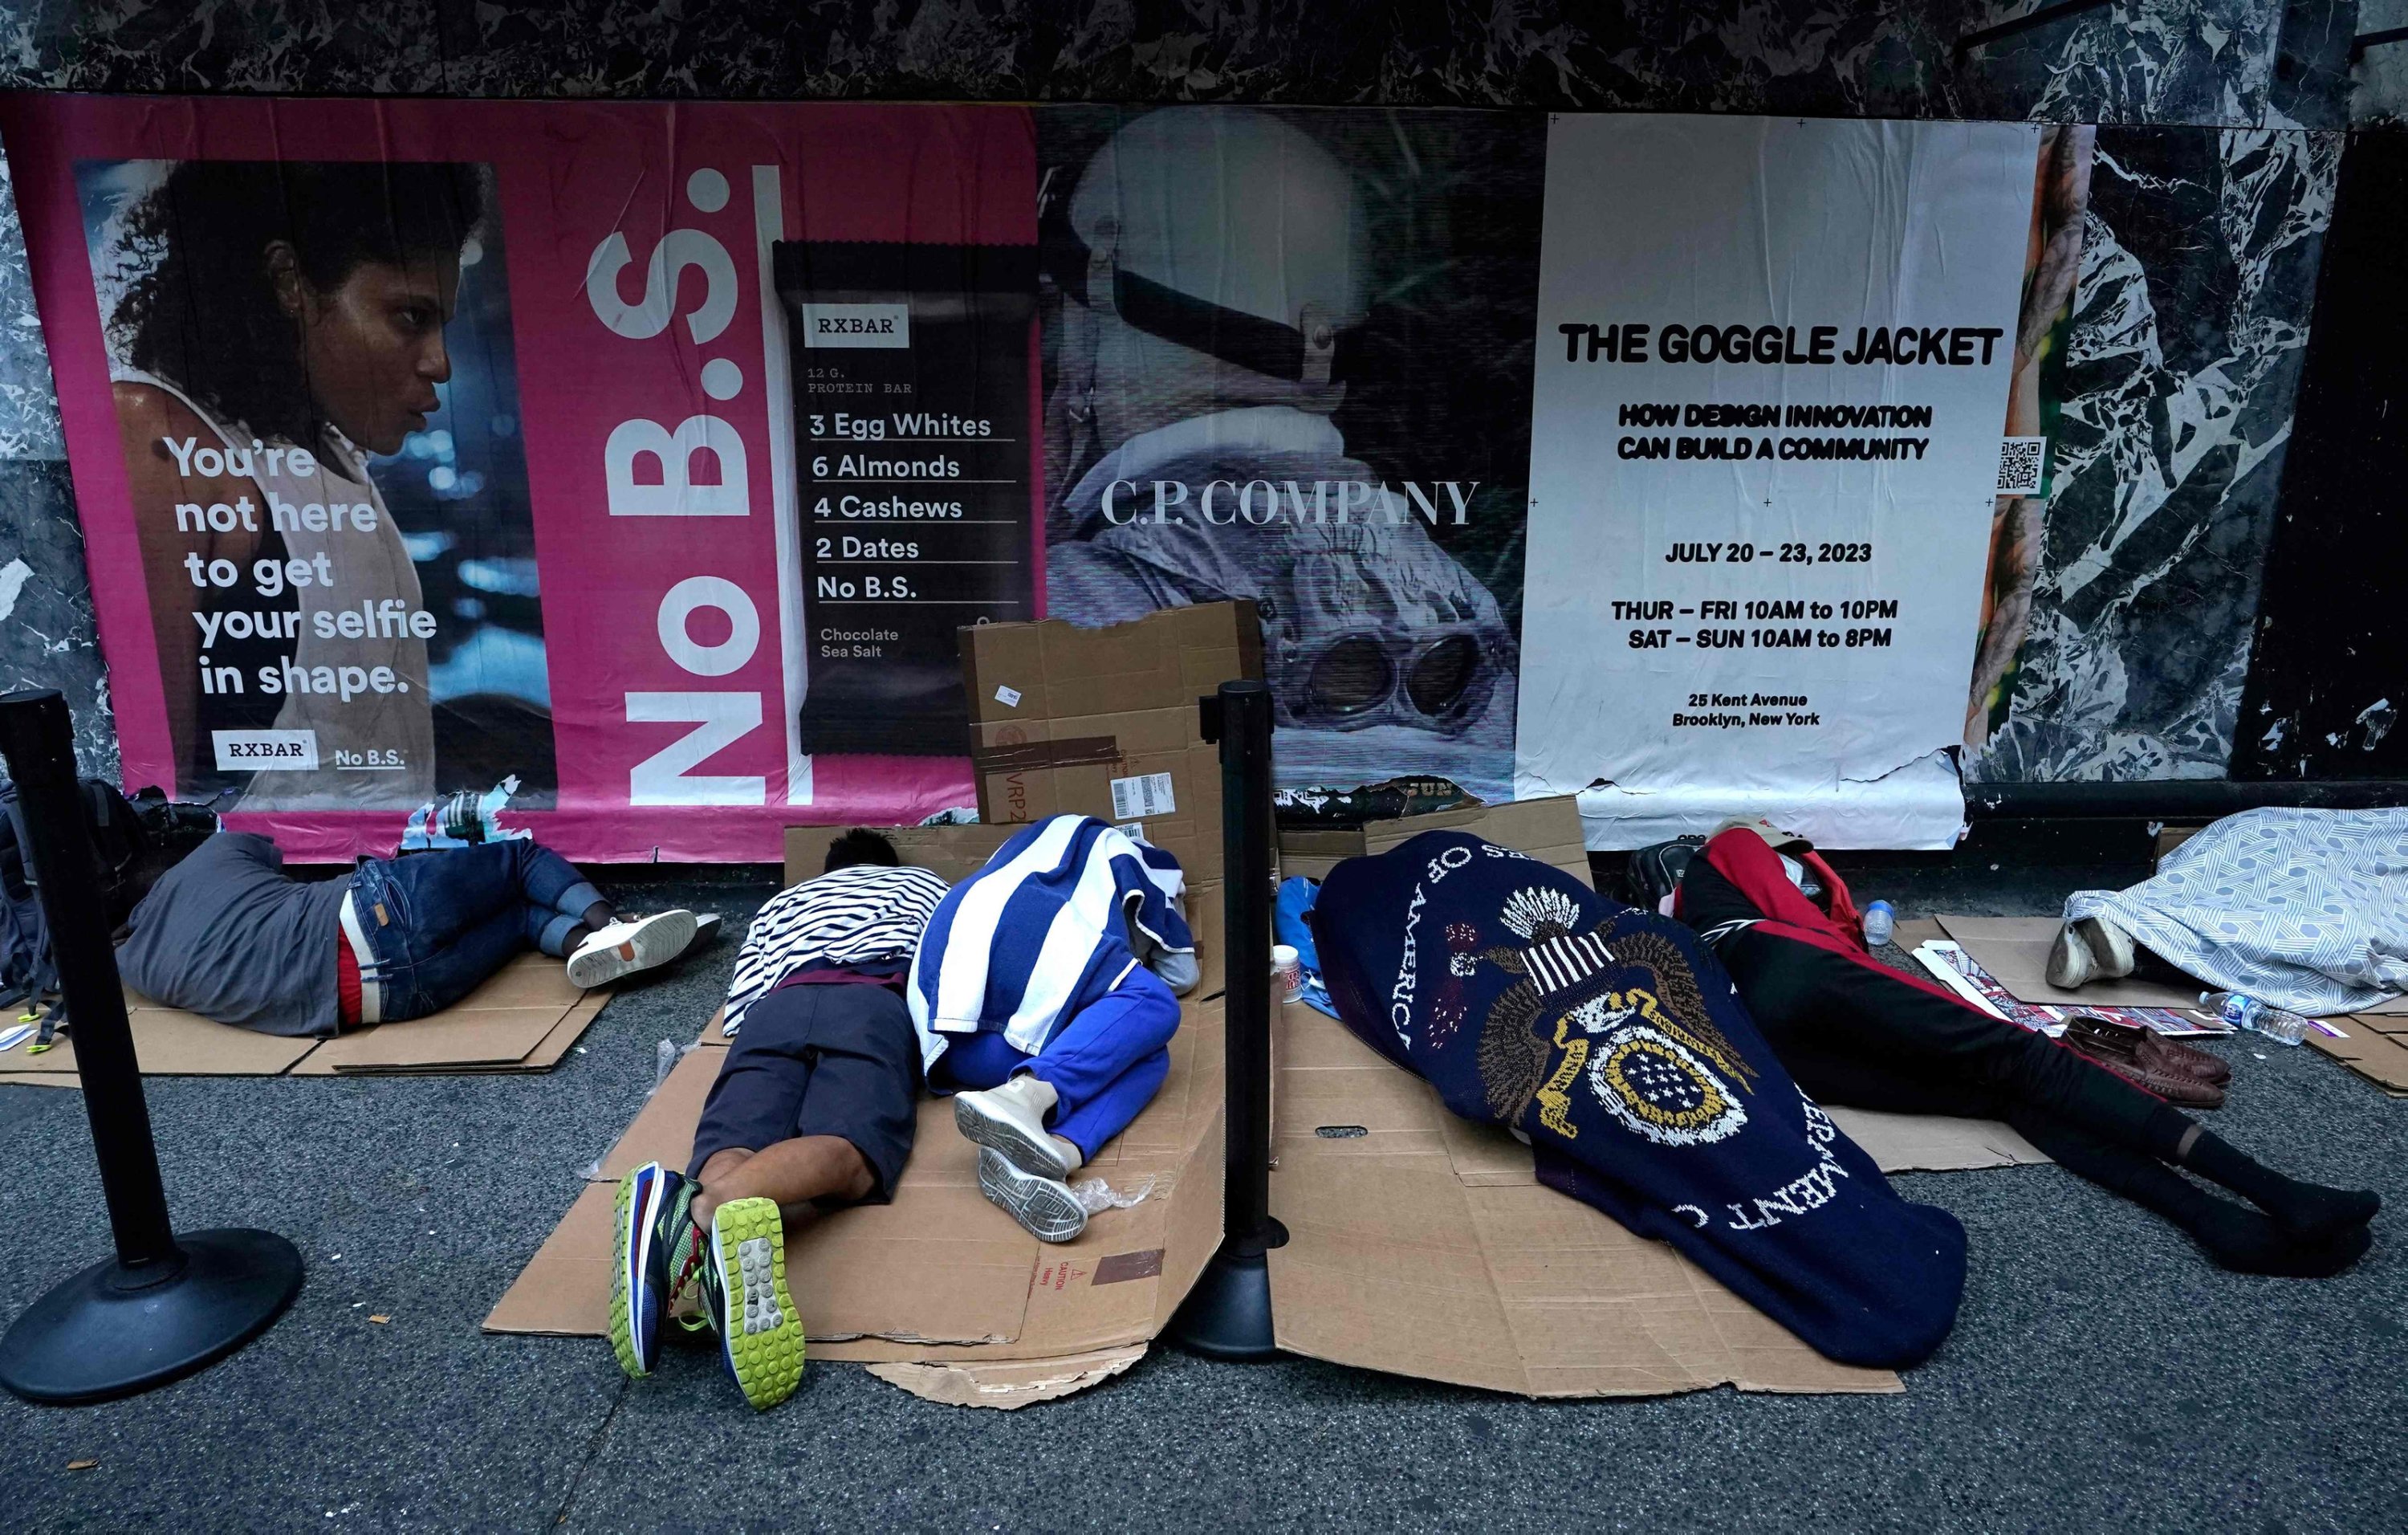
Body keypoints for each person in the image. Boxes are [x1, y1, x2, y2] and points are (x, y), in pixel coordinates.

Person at [1310, 830, 1967, 1370]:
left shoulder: (1448, 874)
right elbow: (1458, 1010)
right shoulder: (1369, 901)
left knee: (1717, 1052)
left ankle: (1814, 1209)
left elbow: (1625, 939)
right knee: (1535, 1075)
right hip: (1549, 995)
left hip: (1603, 974)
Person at [1674, 825, 2379, 1276]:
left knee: (2000, 1093)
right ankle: (2277, 1191)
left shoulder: (1677, 921)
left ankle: (2215, 1222)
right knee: (2025, 1058)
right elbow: (1817, 932)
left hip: (1763, 1040)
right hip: (1793, 972)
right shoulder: (1730, 844)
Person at [102, 160, 484, 808]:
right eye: (411, 317)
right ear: (289, 284)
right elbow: (154, 795)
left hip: (385, 881)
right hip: (276, 897)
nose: (439, 362)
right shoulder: (160, 437)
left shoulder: (324, 446)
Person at [611, 829, 950, 1412]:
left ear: (825, 870)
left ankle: (693, 1215)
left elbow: (741, 1002)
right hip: (871, 998)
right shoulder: (927, 886)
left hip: (779, 1007)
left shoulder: (782, 903)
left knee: (735, 1140)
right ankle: (699, 1214)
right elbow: (950, 962)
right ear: (888, 864)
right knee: (851, 1154)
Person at [910, 814, 1198, 1244]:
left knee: (1147, 1051)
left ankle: (1047, 1156)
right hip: (1021, 920)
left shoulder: (1023, 850)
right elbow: (1181, 973)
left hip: (953, 1047)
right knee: (1153, 1005)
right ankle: (1025, 1097)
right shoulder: (1119, 847)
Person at [116, 829, 694, 1036]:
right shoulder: (207, 858)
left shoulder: (135, 965)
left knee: (518, 920)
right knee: (518, 862)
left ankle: (578, 946)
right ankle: (611, 926)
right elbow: (272, 858)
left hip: (394, 1000)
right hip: (376, 913)